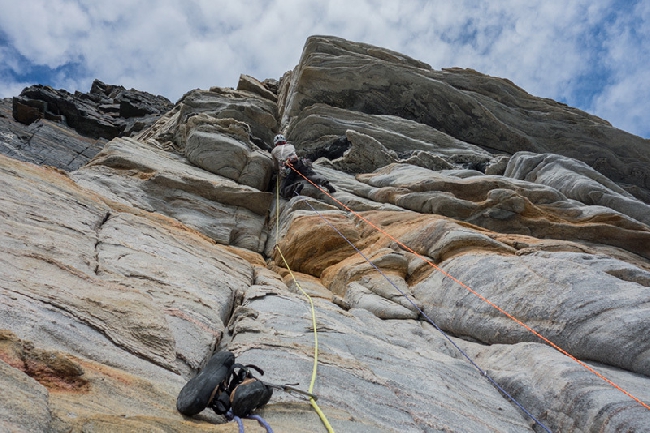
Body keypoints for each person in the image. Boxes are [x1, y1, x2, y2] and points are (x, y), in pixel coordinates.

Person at [271, 134, 336, 198]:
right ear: (284, 141)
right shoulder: (290, 146)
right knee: (309, 174)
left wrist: (278, 171)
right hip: (298, 162)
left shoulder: (274, 151)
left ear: (276, 143)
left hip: (288, 167)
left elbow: (276, 166)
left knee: (283, 190)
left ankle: (295, 187)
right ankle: (323, 181)